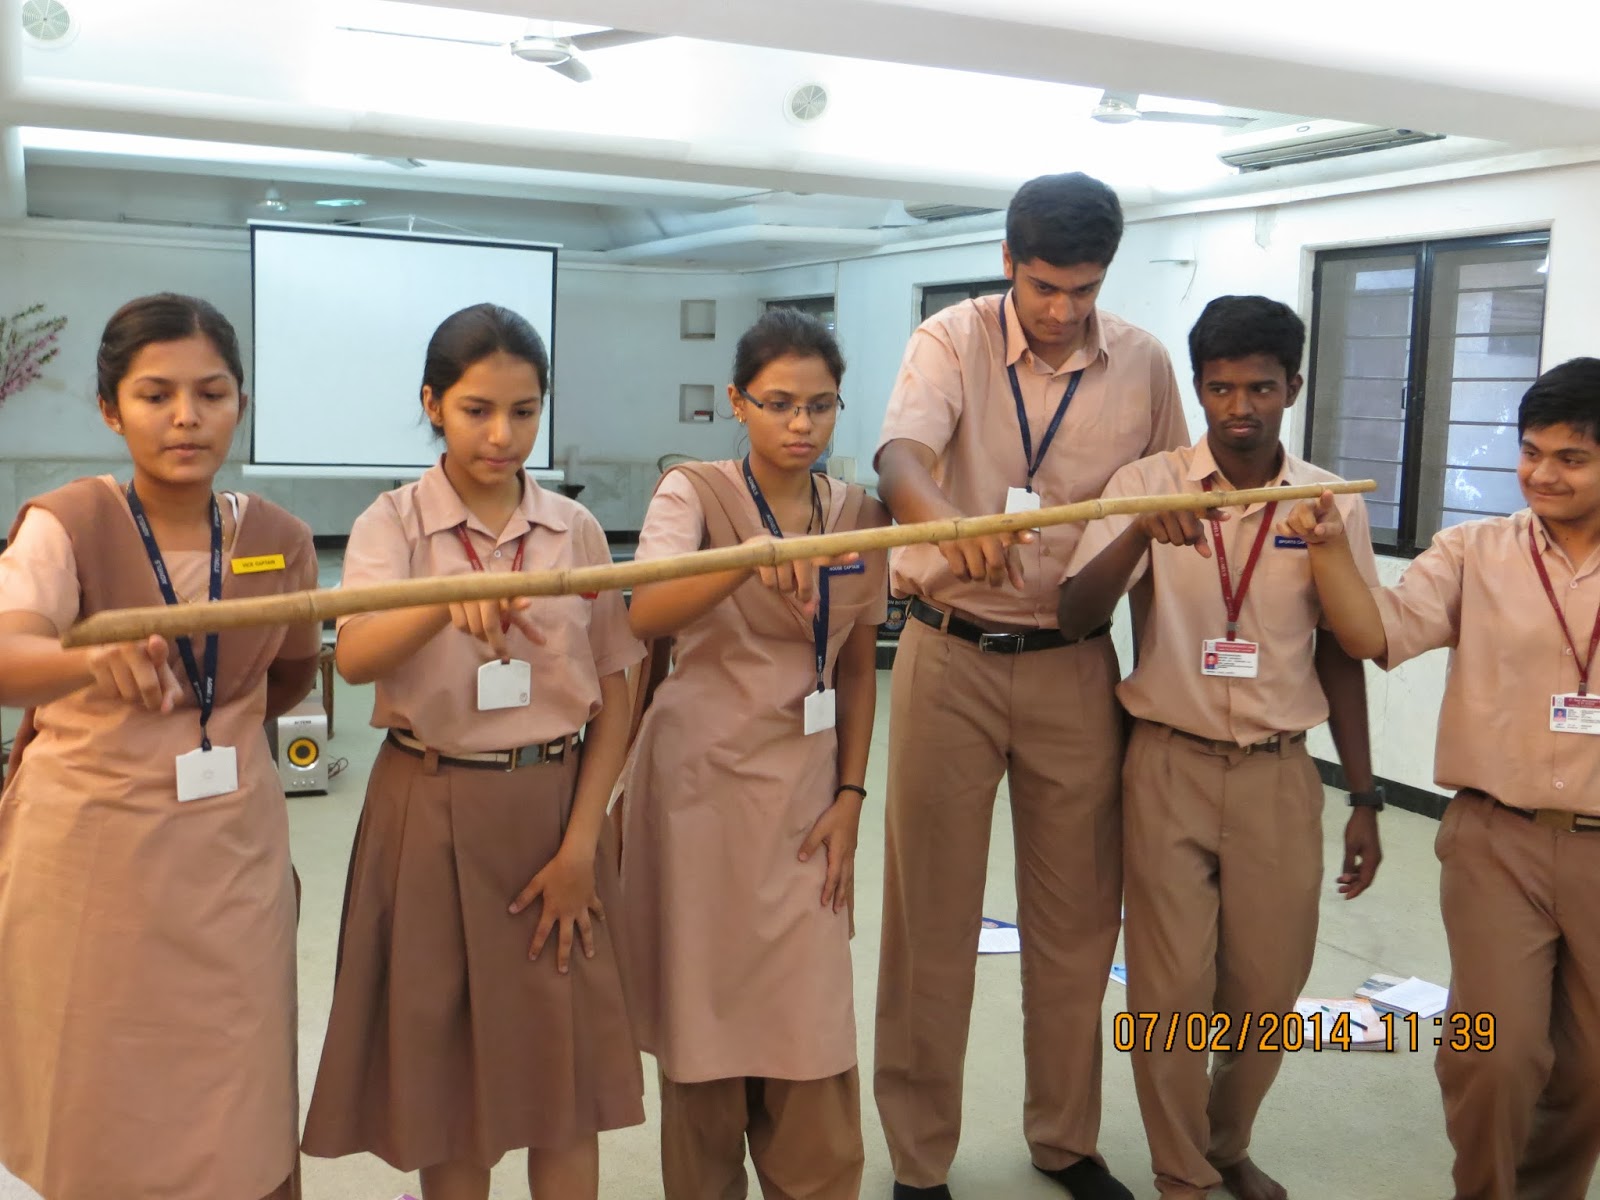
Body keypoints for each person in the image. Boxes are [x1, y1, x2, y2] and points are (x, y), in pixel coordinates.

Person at [872, 171, 1189, 1200]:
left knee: (1078, 923)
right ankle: (920, 1159)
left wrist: (1158, 683)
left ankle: (1065, 1140)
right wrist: (945, 523)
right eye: (1044, 286)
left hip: (1074, 666)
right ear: (1007, 260)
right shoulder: (950, 340)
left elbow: (1164, 513)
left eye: (1083, 289)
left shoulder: (1143, 363)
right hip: (948, 655)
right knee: (930, 919)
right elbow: (901, 456)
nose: (1061, 309)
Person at [301, 303, 644, 1200]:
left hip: (556, 812)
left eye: (523, 412)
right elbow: (356, 658)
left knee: (565, 1085)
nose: (501, 435)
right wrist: (437, 600)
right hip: (430, 807)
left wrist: (582, 846)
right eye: (476, 410)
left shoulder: (574, 529)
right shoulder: (392, 525)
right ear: (433, 405)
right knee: (449, 1087)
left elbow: (616, 692)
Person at [1059, 295, 1383, 1200]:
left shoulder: (1325, 503)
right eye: (1221, 388)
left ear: (1294, 388)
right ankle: (1185, 1174)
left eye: (1261, 389)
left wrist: (1365, 796)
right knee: (1169, 991)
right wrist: (1137, 529)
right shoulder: (1146, 483)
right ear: (1199, 389)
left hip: (1280, 771)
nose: (1240, 408)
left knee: (1269, 988)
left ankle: (1224, 1139)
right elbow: (1075, 614)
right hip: (1168, 763)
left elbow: (1342, 649)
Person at [0, 293, 320, 1200]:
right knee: (95, 1085)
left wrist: (213, 725)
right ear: (111, 410)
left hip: (229, 863)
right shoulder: (67, 523)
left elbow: (291, 674)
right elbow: (8, 653)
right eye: (155, 395)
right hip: (90, 864)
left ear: (241, 404)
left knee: (235, 1080)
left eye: (211, 394)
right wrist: (85, 659)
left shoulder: (279, 539)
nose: (186, 417)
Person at [1278, 356, 1600, 1200]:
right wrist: (1328, 549)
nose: (1542, 474)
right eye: (1531, 452)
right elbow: (1372, 634)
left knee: (1589, 1072)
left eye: (1571, 458)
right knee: (1493, 1052)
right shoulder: (1476, 552)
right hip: (1498, 839)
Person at [619, 308, 887, 1200]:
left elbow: (856, 665)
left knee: (811, 1015)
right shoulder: (694, 493)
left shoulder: (858, 514)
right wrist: (743, 558)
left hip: (808, 790)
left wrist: (853, 794)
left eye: (820, 405)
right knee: (706, 1014)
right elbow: (646, 612)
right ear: (737, 402)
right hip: (700, 787)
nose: (801, 424)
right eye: (778, 403)